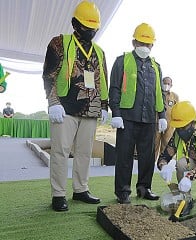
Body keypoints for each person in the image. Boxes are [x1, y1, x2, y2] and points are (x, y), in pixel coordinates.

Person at [42, 1, 109, 211]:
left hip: (90, 110)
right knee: (61, 151)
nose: (90, 31)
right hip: (64, 109)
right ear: (75, 23)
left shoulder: (99, 51)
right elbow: (48, 75)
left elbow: (102, 80)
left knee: (84, 153)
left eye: (93, 28)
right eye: (86, 26)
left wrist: (104, 106)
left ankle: (81, 189)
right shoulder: (59, 43)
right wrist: (52, 102)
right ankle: (58, 194)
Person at [109, 23, 167, 204]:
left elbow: (159, 92)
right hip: (127, 118)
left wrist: (162, 115)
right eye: (141, 42)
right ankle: (123, 192)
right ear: (134, 42)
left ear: (152, 45)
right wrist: (116, 112)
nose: (145, 47)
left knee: (148, 157)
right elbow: (115, 88)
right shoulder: (122, 61)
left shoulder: (156, 66)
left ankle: (144, 188)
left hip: (149, 119)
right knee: (124, 156)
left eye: (148, 44)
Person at [154, 76, 179, 161]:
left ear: (171, 85)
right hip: (156, 124)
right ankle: (151, 164)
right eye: (165, 83)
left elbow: (177, 109)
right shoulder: (156, 94)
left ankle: (163, 163)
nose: (166, 85)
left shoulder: (174, 96)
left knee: (167, 144)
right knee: (154, 144)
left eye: (168, 84)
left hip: (170, 125)